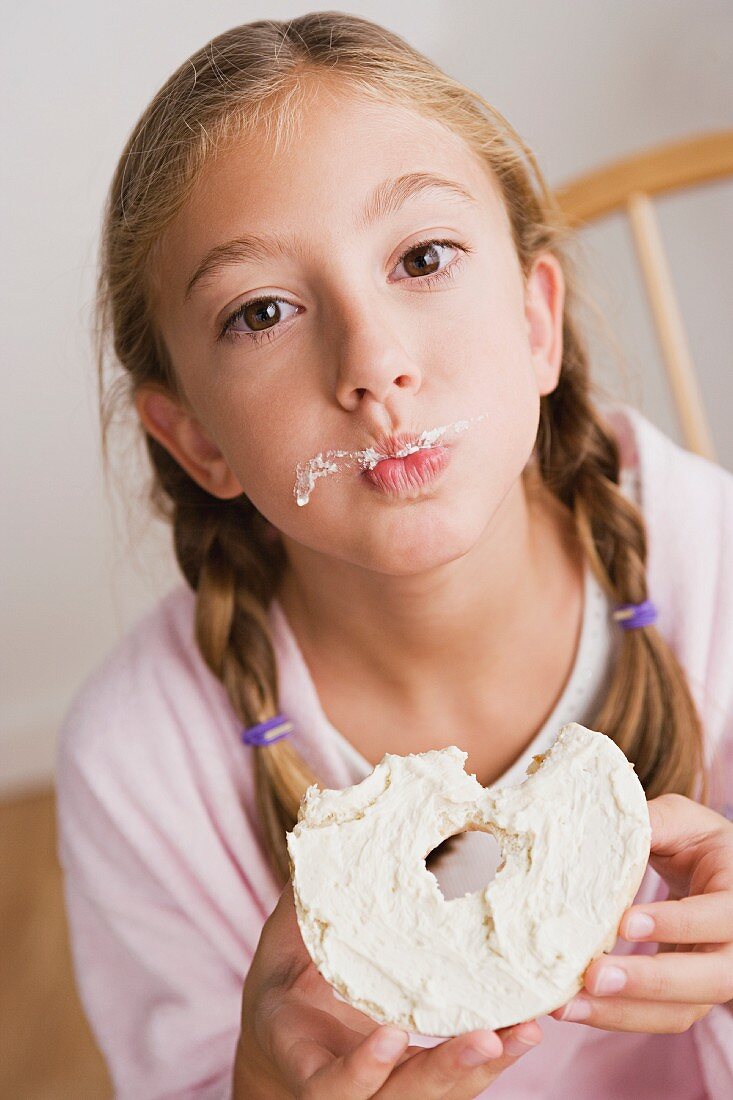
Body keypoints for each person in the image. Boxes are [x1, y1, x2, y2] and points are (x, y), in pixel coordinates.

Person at [55, 12, 733, 1099]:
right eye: (262, 310)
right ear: (195, 439)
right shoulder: (140, 764)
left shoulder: (718, 578)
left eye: (422, 257)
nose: (373, 362)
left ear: (534, 321)